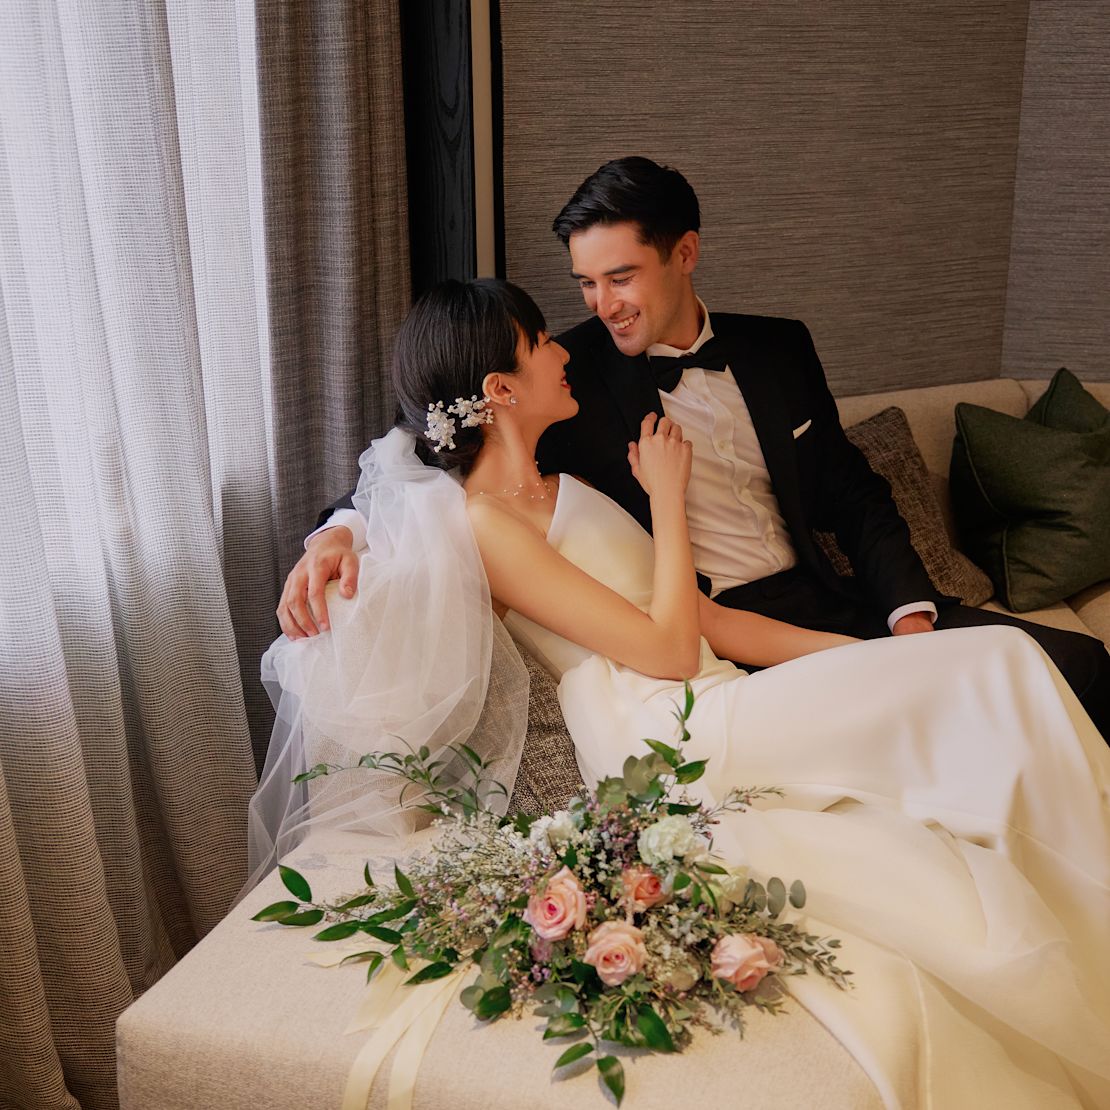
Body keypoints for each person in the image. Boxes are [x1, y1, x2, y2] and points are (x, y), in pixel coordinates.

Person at [255, 278, 1109, 1107]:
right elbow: (666, 652)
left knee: (991, 661)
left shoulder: (560, 487)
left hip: (715, 687)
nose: (564, 350)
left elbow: (703, 619)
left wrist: (875, 659)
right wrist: (668, 501)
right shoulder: (484, 524)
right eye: (540, 341)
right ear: (498, 388)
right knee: (1003, 667)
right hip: (666, 731)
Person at [279, 157, 1110, 740]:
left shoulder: (780, 346)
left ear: (685, 253)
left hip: (837, 600)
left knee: (1076, 663)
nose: (602, 305)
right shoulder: (556, 378)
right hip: (722, 637)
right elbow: (425, 444)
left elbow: (855, 495)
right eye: (586, 283)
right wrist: (337, 532)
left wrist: (911, 619)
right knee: (982, 715)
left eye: (623, 276)